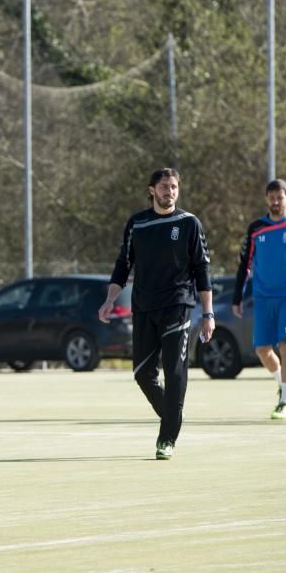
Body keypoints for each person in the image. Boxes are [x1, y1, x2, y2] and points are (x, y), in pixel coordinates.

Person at [98, 168, 214, 460]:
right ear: (152, 190)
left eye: (174, 187)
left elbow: (202, 269)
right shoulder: (137, 223)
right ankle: (172, 417)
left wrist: (208, 313)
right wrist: (110, 299)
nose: (170, 192)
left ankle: (167, 439)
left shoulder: (189, 223)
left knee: (175, 372)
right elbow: (123, 265)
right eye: (164, 187)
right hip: (144, 306)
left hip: (178, 304)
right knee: (142, 373)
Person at [231, 179, 286, 420]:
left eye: (280, 197)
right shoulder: (256, 228)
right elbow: (244, 264)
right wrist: (237, 297)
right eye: (271, 197)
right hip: (262, 297)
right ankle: (282, 383)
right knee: (262, 350)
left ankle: (285, 402)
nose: (275, 202)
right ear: (266, 199)